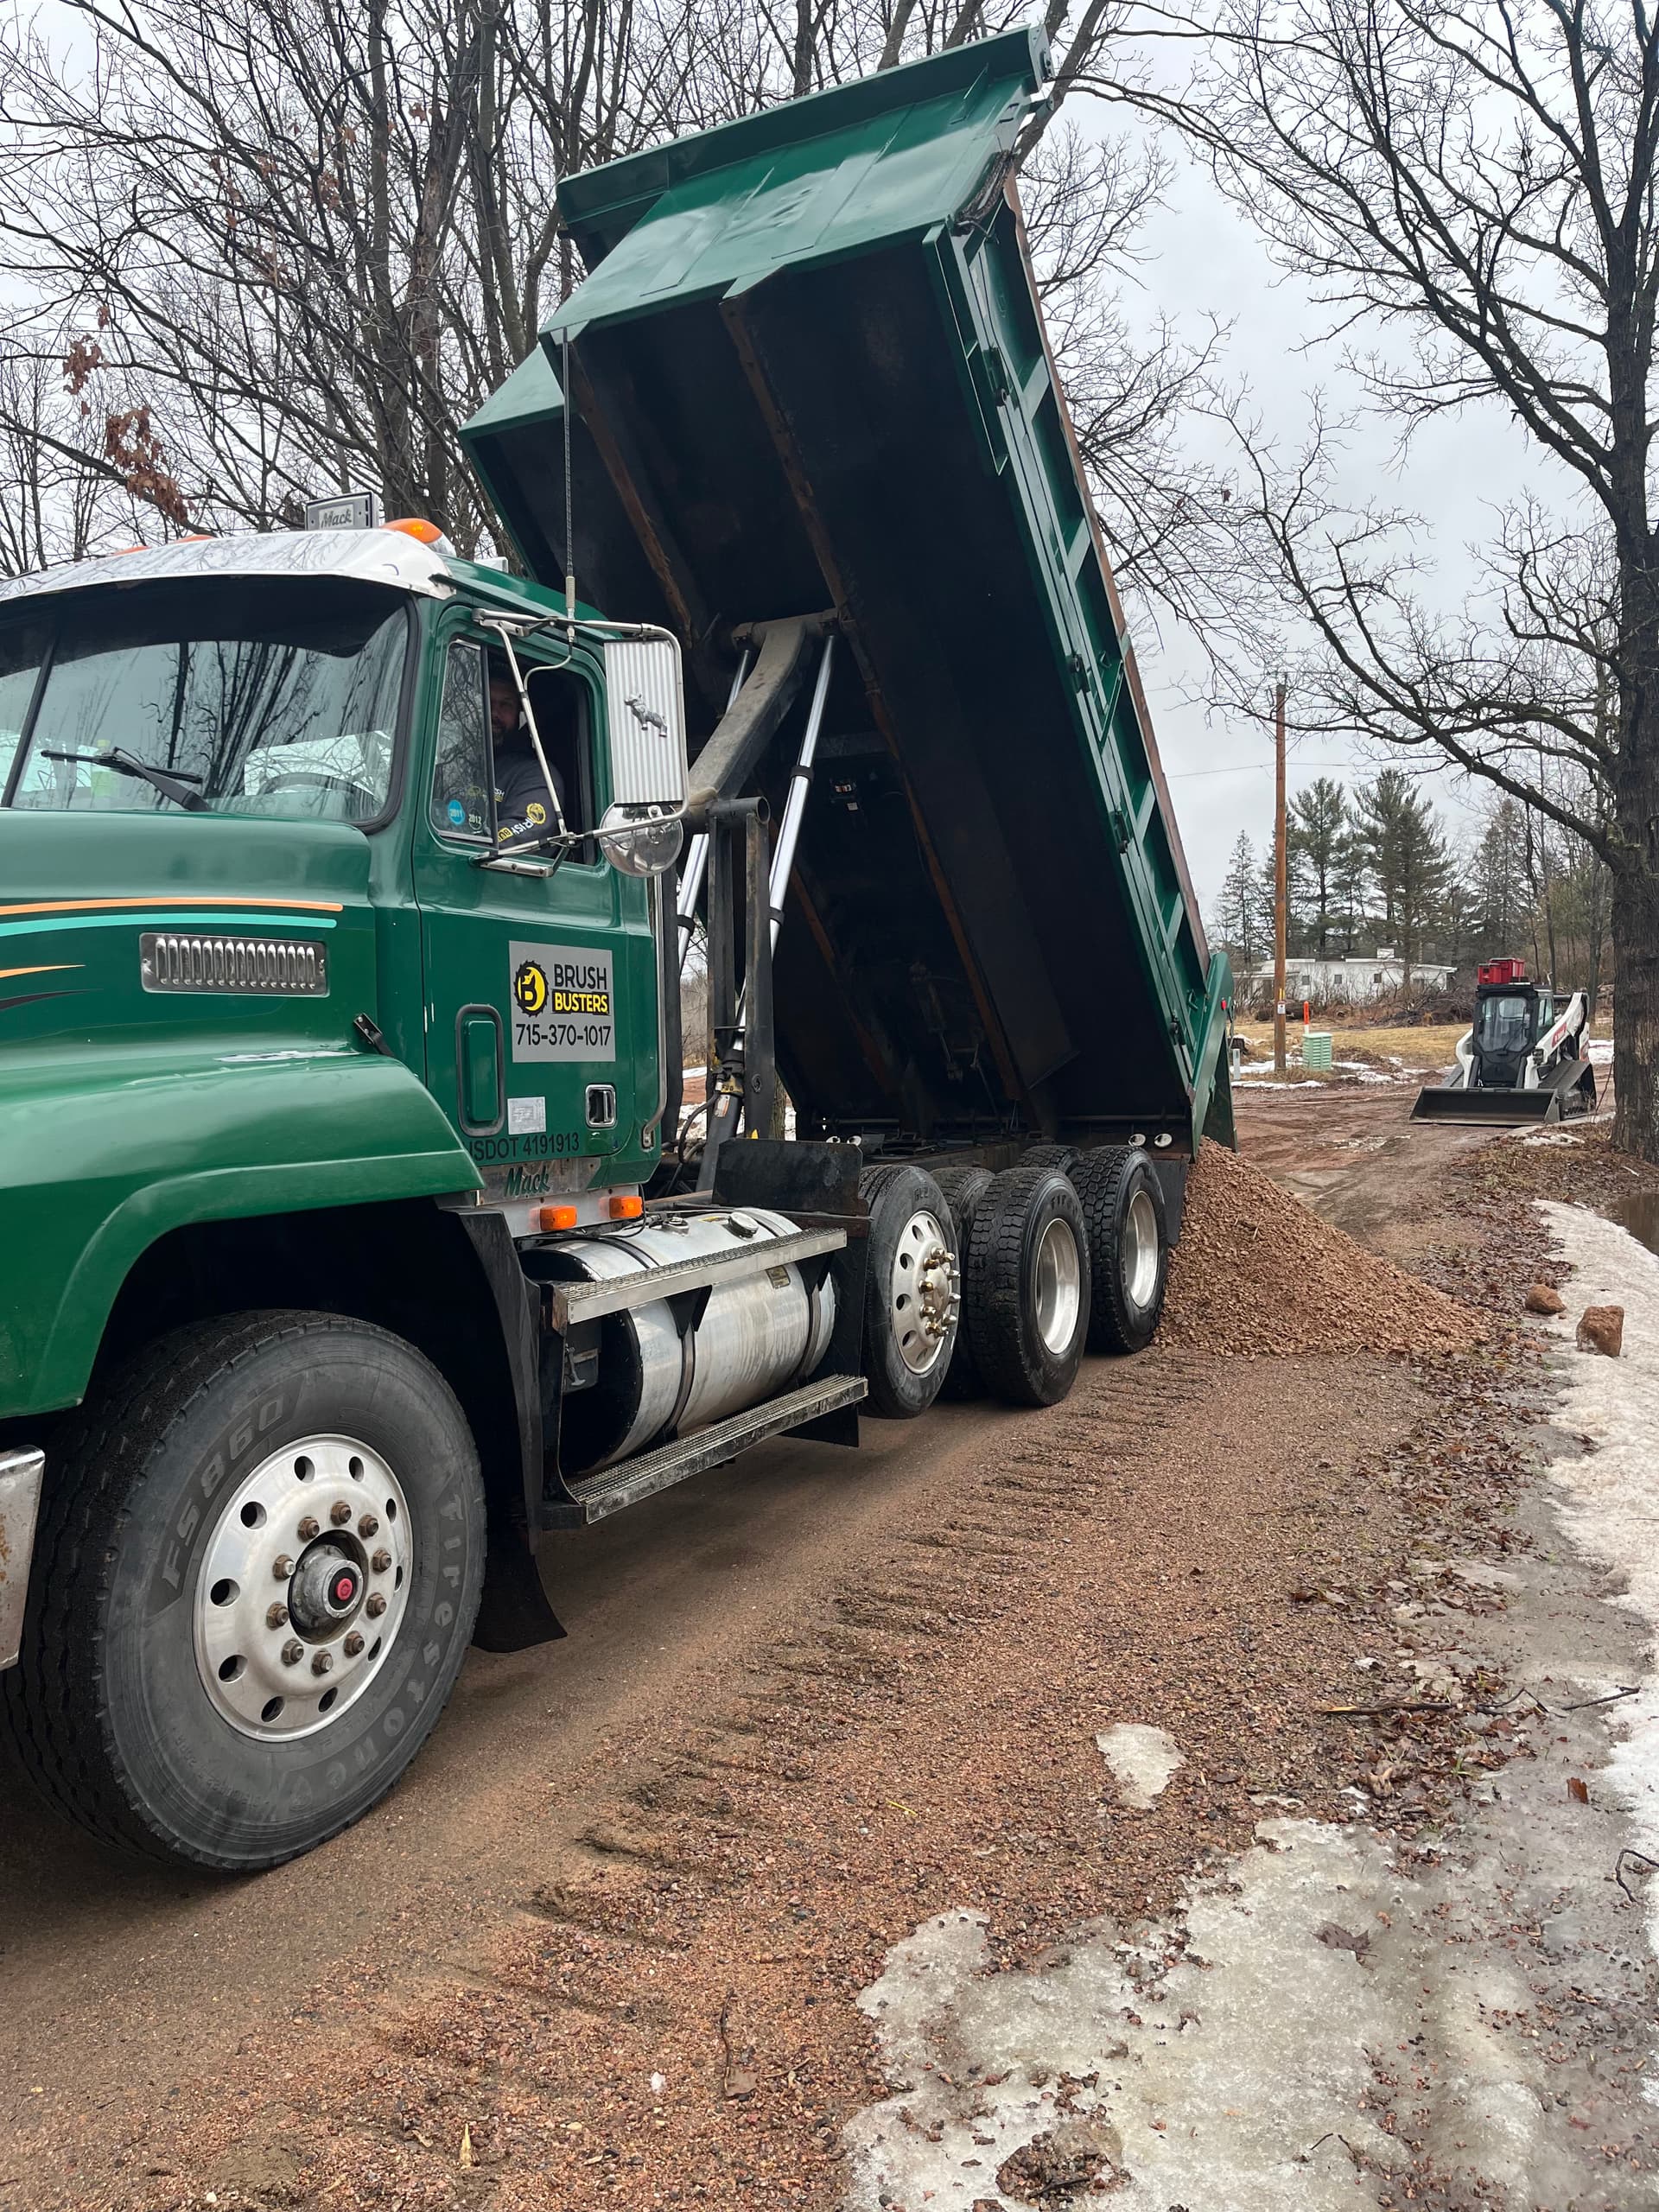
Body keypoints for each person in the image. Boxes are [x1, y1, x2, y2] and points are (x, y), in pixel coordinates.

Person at [488, 664, 567, 847]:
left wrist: (465, 838)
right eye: (487, 702)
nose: (494, 713)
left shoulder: (538, 774)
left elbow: (526, 827)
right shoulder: (450, 765)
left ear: (519, 714)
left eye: (505, 705)